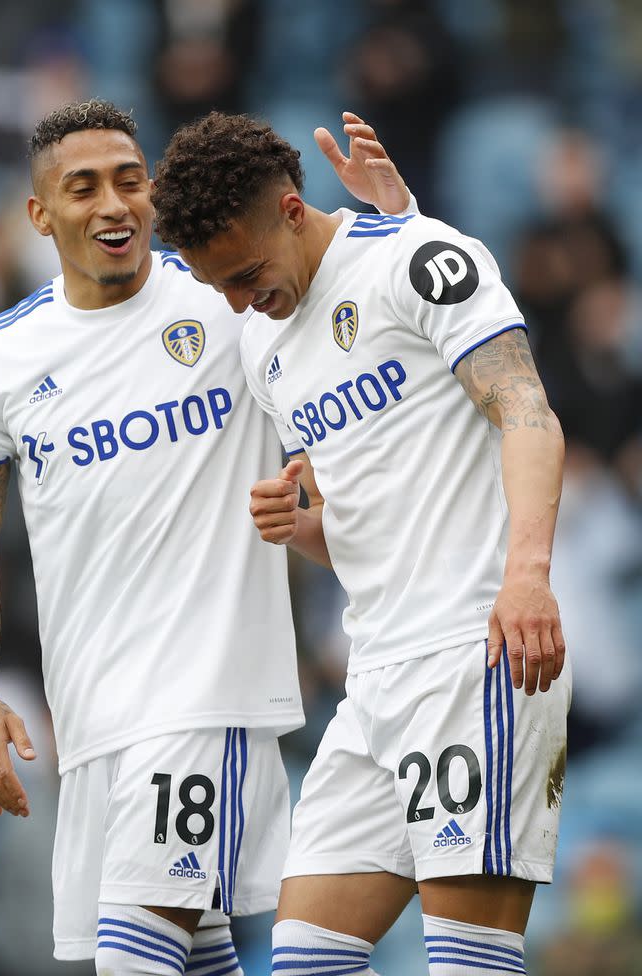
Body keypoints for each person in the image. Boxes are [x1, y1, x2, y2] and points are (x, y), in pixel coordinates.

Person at [0, 99, 413, 974]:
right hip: (92, 721)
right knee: (193, 960)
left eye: (130, 180)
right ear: (40, 214)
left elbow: (371, 305)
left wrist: (401, 218)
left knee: (132, 962)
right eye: (83, 189)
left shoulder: (225, 295)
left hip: (208, 697)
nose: (115, 205)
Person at [152, 111, 571, 976]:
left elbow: (527, 411)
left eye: (246, 274)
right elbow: (370, 533)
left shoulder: (413, 260)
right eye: (215, 286)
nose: (237, 302)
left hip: (474, 652)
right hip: (374, 677)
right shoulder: (266, 347)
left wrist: (527, 576)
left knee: (469, 963)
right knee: (307, 960)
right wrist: (302, 528)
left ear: (294, 212)